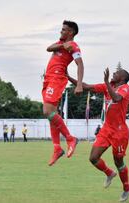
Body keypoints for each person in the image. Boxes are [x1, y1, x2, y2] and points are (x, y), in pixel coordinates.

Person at [69, 67, 129, 202]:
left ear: (122, 78)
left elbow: (116, 98)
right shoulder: (107, 86)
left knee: (118, 162)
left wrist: (106, 82)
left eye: (116, 73)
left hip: (119, 132)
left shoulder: (125, 88)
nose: (113, 74)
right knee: (93, 158)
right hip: (106, 129)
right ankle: (109, 173)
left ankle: (127, 188)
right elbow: (85, 86)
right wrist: (67, 76)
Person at [42, 20, 84, 166]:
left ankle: (70, 138)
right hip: (48, 79)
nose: (61, 31)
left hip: (57, 78)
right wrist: (61, 45)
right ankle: (57, 148)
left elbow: (80, 64)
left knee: (47, 111)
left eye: (64, 30)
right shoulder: (61, 43)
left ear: (71, 32)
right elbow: (49, 48)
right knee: (52, 115)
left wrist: (79, 84)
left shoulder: (73, 46)